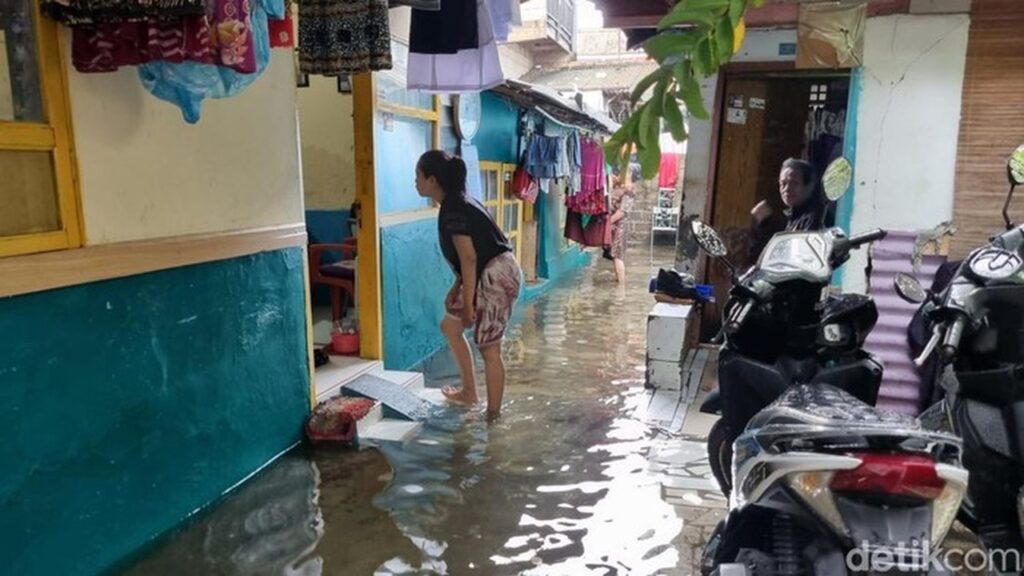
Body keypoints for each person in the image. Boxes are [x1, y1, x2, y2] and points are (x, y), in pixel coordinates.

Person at [415, 150, 523, 420]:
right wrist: (457, 289)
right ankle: (470, 392)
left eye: (418, 176)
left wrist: (467, 305)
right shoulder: (455, 203)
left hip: (497, 274)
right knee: (450, 327)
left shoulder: (454, 209)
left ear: (433, 180)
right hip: (486, 270)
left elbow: (469, 257)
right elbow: (469, 256)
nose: (415, 182)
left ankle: (493, 417)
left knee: (489, 347)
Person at [748, 157, 831, 262]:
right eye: (783, 184)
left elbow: (797, 258)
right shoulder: (790, 219)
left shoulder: (816, 216)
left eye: (794, 183)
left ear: (809, 186)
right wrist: (762, 225)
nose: (786, 189)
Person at [605, 170, 636, 283]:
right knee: (614, 255)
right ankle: (618, 281)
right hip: (614, 226)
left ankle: (621, 286)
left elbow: (622, 212)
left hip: (620, 227)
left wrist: (608, 223)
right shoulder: (620, 187)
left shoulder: (629, 192)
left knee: (618, 255)